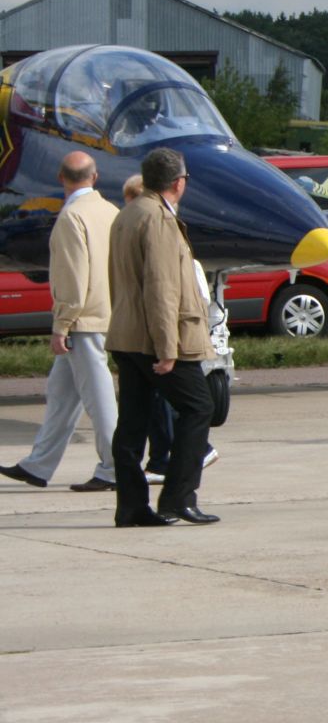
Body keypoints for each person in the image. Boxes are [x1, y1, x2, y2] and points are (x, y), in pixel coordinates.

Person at [106, 148, 217, 526]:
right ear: (178, 183)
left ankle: (132, 506)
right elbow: (161, 287)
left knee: (133, 423)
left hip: (126, 334)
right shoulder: (158, 219)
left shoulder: (128, 213)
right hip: (155, 337)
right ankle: (178, 497)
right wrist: (168, 348)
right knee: (198, 407)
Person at [0, 151, 118, 493]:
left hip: (84, 320)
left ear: (61, 178)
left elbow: (72, 278)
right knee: (62, 394)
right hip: (104, 313)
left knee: (99, 399)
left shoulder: (71, 217)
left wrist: (62, 324)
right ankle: (38, 465)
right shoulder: (110, 211)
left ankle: (113, 467)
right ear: (94, 177)